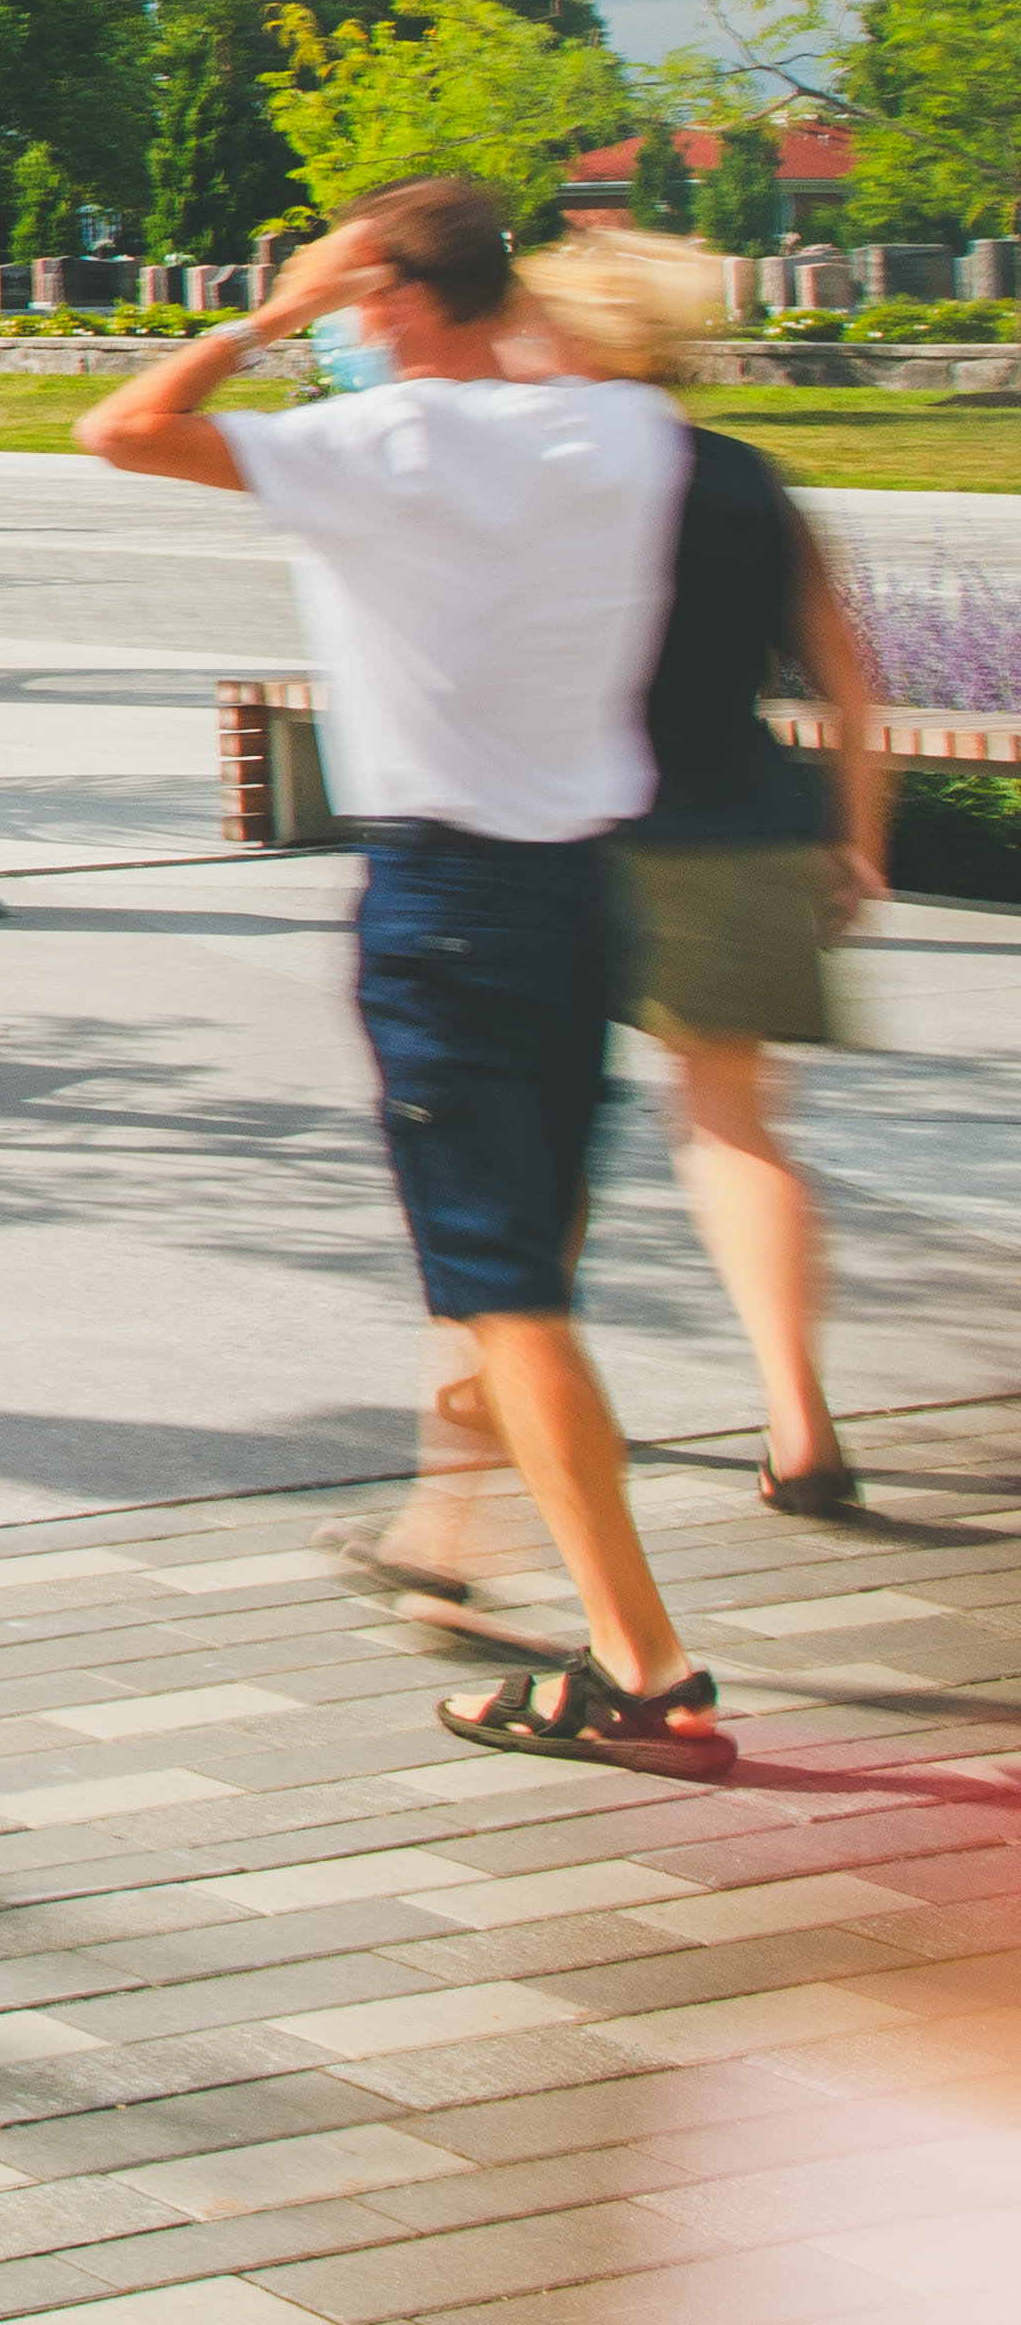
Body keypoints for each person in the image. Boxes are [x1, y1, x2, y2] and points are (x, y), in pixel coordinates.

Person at [79, 177, 712, 1763]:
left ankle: (642, 1664)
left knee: (508, 1301)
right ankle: (468, 1542)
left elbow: (122, 429)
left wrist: (265, 317)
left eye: (357, 301)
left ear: (387, 298)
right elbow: (564, 348)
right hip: (585, 900)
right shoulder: (626, 437)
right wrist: (462, 282)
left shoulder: (382, 448)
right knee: (528, 1280)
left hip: (443, 910)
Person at [510, 227, 887, 1519]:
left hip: (572, 833)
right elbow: (845, 672)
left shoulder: (550, 479)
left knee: (545, 1132)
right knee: (736, 1130)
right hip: (742, 820)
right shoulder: (747, 478)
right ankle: (800, 1419)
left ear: (570, 339)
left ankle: (530, 1400)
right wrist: (860, 836)